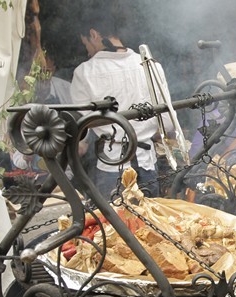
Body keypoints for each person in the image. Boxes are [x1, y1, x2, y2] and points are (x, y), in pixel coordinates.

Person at [70, 13, 173, 199]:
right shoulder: (150, 66)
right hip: (146, 164)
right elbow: (167, 123)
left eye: (86, 43)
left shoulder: (84, 73)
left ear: (94, 34)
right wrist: (145, 131)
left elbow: (81, 127)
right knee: (150, 225)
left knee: (114, 226)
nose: (87, 51)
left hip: (111, 168)